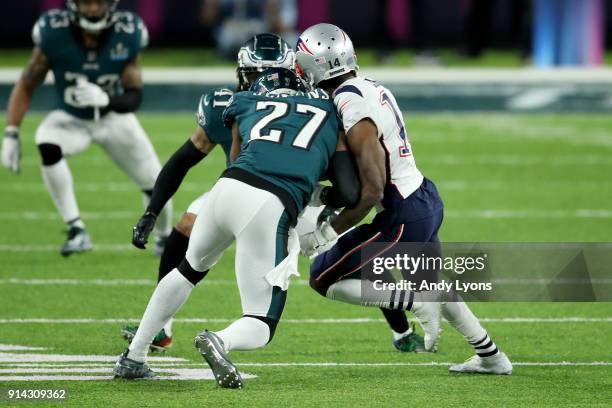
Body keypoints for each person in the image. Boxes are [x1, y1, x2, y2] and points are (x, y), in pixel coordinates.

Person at [113, 67, 360, 386]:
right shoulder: (329, 110)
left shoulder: (244, 102)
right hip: (271, 204)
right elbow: (350, 191)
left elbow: (235, 156)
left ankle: (134, 356)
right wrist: (318, 192)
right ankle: (220, 341)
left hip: (225, 190)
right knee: (261, 323)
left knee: (187, 270)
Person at [295, 23, 512, 374]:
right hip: (423, 197)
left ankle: (416, 302)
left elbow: (373, 190)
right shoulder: (369, 86)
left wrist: (327, 232)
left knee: (322, 277)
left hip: (401, 212)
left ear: (313, 65)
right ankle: (492, 357)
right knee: (433, 288)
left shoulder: (349, 102)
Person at [121, 32, 296, 351]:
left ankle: (407, 319)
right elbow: (183, 159)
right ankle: (161, 327)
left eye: (269, 74)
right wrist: (152, 211)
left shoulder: (309, 106)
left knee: (336, 260)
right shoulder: (226, 106)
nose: (263, 83)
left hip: (301, 194)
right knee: (188, 226)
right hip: (245, 189)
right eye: (257, 74)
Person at [0, 0, 172, 256]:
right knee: (47, 140)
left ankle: (165, 238)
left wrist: (107, 99)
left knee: (154, 181)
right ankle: (76, 229)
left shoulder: (128, 31)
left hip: (113, 118)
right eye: (86, 3)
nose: (92, 9)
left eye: (98, 2)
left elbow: (134, 96)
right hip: (71, 119)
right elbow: (26, 83)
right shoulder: (53, 32)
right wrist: (11, 132)